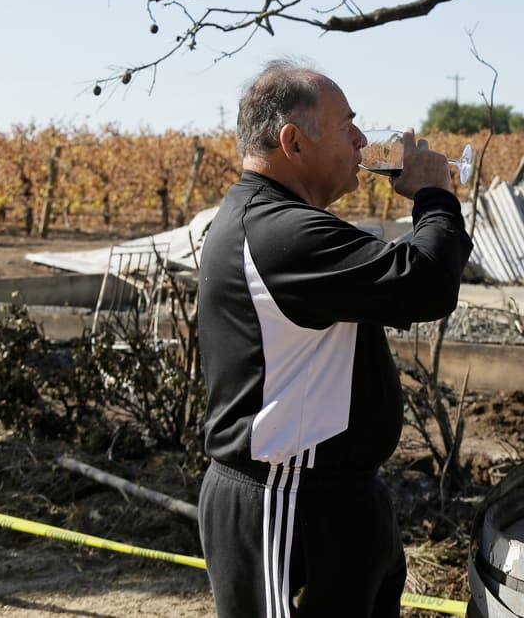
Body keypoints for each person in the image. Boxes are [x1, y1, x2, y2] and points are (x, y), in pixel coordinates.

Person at [196, 61, 472, 618]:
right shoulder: (279, 233)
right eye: (347, 125)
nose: (362, 140)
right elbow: (427, 285)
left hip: (334, 499)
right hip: (287, 504)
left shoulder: (288, 225)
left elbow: (409, 276)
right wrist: (434, 195)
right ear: (293, 142)